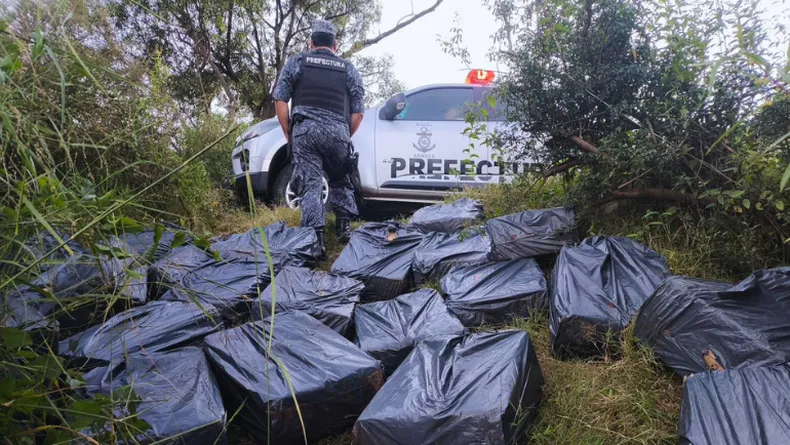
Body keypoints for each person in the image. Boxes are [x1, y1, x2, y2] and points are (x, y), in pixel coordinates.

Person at [272, 19, 365, 260]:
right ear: (335, 45)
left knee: (311, 183)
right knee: (341, 176)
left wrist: (288, 132)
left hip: (306, 132)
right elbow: (358, 113)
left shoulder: (297, 61)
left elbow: (280, 99)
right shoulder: (348, 69)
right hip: (338, 131)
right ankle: (343, 228)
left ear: (311, 43)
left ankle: (316, 241)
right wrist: (344, 135)